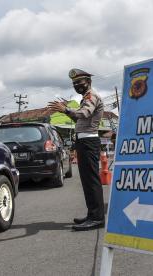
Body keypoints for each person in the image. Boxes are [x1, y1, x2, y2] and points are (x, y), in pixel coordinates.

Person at [48, 68, 105, 231]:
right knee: (87, 181)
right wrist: (66, 110)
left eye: (80, 82)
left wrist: (65, 109)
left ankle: (97, 218)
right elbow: (77, 116)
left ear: (89, 82)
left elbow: (85, 114)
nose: (77, 86)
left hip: (89, 141)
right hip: (83, 141)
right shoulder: (84, 98)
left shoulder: (91, 96)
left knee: (92, 180)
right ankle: (92, 214)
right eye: (74, 84)